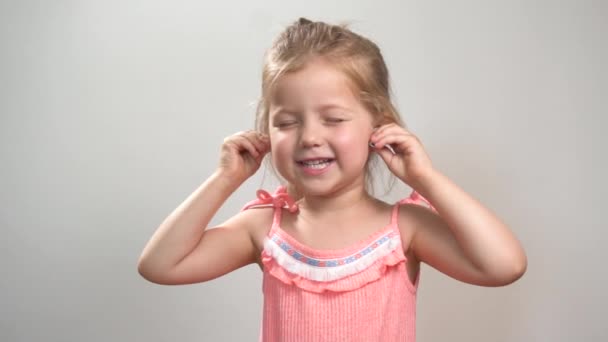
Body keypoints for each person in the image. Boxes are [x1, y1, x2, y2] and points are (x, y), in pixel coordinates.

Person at [137, 17, 527, 341]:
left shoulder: (405, 229)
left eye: (334, 119)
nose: (309, 137)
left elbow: (504, 265)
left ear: (378, 125)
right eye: (287, 122)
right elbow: (160, 265)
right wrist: (225, 179)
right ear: (266, 131)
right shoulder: (264, 228)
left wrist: (425, 179)